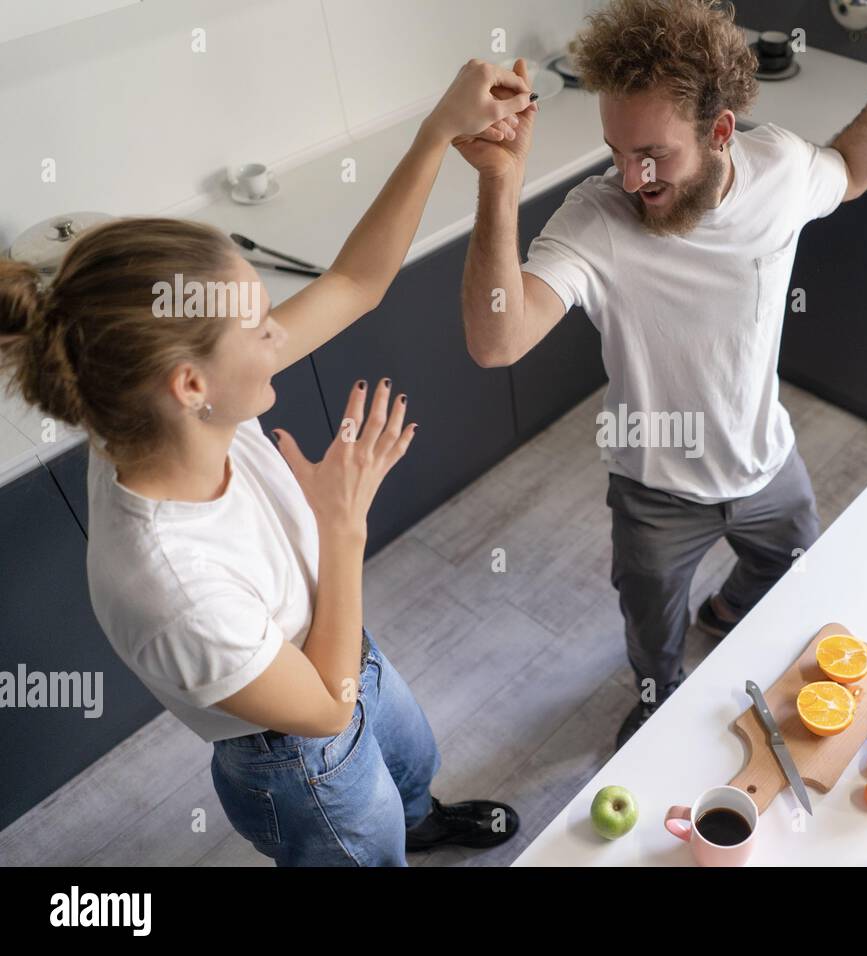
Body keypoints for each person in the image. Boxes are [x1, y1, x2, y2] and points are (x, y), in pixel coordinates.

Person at [0, 60, 535, 865]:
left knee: (410, 770)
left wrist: (438, 131)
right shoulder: (170, 587)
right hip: (300, 756)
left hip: (341, 646)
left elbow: (356, 281)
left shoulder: (166, 415)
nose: (279, 335)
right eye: (259, 330)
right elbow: (322, 710)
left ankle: (421, 820)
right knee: (368, 845)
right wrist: (341, 523)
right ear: (191, 384)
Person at [456, 0, 867, 747]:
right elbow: (497, 341)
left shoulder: (779, 170)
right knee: (653, 638)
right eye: (616, 152)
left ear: (722, 132)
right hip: (654, 493)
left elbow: (849, 169)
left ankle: (723, 614)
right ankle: (656, 704)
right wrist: (499, 182)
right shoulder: (598, 221)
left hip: (766, 462)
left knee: (789, 574)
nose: (631, 178)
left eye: (651, 154)